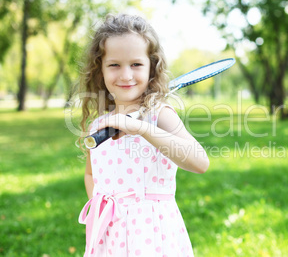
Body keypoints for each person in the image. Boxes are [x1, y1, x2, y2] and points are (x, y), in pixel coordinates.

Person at [76, 13, 209, 257]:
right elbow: (90, 173)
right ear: (100, 70)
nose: (126, 75)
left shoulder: (159, 115)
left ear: (151, 67)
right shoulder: (100, 125)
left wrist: (142, 128)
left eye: (136, 64)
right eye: (114, 65)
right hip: (110, 234)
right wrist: (102, 207)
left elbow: (200, 162)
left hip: (152, 235)